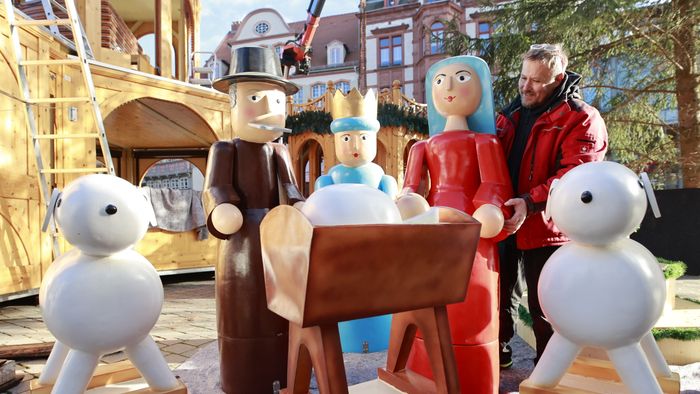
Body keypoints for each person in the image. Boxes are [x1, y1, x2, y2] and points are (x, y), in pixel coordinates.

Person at [402, 55, 512, 393]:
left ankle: (473, 374)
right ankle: (424, 371)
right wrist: (409, 203)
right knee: (429, 300)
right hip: (433, 224)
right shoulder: (422, 146)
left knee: (472, 299)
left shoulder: (485, 142)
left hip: (472, 226)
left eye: (460, 78)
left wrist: (488, 207)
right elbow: (410, 186)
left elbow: (495, 184)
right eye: (440, 81)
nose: (448, 87)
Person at [496, 43, 608, 368]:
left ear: (558, 79)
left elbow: (575, 176)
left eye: (536, 81)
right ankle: (500, 356)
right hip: (505, 220)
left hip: (548, 226)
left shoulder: (582, 118)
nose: (525, 86)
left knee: (547, 305)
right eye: (523, 77)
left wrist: (529, 203)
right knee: (500, 296)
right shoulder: (509, 115)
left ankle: (550, 370)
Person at [202, 46, 304, 394]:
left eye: (276, 101)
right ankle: (243, 379)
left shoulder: (279, 151)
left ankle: (285, 374)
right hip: (241, 243)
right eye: (256, 97)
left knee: (281, 310)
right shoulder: (224, 150)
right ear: (233, 103)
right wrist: (223, 206)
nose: (269, 110)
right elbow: (215, 187)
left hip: (277, 240)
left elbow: (290, 187)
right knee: (243, 312)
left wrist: (299, 205)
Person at [314, 87, 397, 353]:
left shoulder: (382, 178)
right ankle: (345, 337)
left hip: (378, 254)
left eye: (362, 137)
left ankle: (379, 336)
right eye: (347, 138)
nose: (355, 146)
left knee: (377, 296)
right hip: (341, 256)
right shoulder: (328, 179)